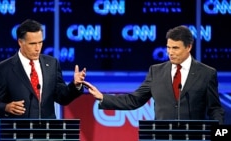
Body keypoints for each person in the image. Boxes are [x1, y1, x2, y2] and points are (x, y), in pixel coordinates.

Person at [83, 25, 225, 124]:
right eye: (168, 47)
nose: (170, 52)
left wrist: (218, 133)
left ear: (189, 47)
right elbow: (134, 100)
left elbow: (215, 109)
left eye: (175, 48)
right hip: (162, 136)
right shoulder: (156, 72)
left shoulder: (207, 73)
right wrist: (102, 97)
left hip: (194, 137)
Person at [0, 19, 86, 119]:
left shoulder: (52, 64)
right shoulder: (4, 69)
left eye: (40, 42)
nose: (37, 48)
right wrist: (6, 107)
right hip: (19, 131)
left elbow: (62, 98)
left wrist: (75, 85)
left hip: (46, 131)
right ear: (20, 42)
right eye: (32, 44)